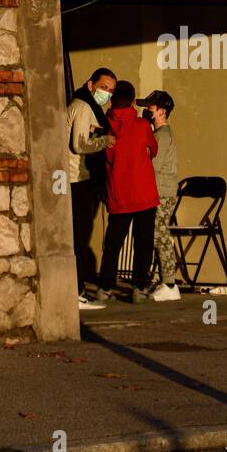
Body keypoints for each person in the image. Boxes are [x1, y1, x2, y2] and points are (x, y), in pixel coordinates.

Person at [98, 80, 159, 303]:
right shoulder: (142, 125)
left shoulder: (105, 125)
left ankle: (105, 287)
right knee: (142, 242)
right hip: (144, 193)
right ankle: (138, 287)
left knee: (113, 243)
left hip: (119, 193)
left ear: (112, 100)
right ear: (133, 101)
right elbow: (153, 149)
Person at [67, 67, 116, 310]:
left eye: (110, 91)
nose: (106, 94)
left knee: (79, 237)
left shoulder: (84, 106)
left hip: (79, 178)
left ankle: (79, 291)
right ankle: (76, 293)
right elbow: (79, 144)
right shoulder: (84, 107)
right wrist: (104, 141)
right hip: (77, 179)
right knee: (79, 237)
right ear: (90, 85)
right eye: (103, 87)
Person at [139, 90, 180, 301]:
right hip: (160, 191)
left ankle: (170, 284)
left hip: (162, 192)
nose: (146, 110)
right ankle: (164, 281)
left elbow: (152, 166)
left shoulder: (162, 136)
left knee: (160, 234)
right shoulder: (158, 134)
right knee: (158, 234)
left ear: (162, 112)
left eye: (150, 108)